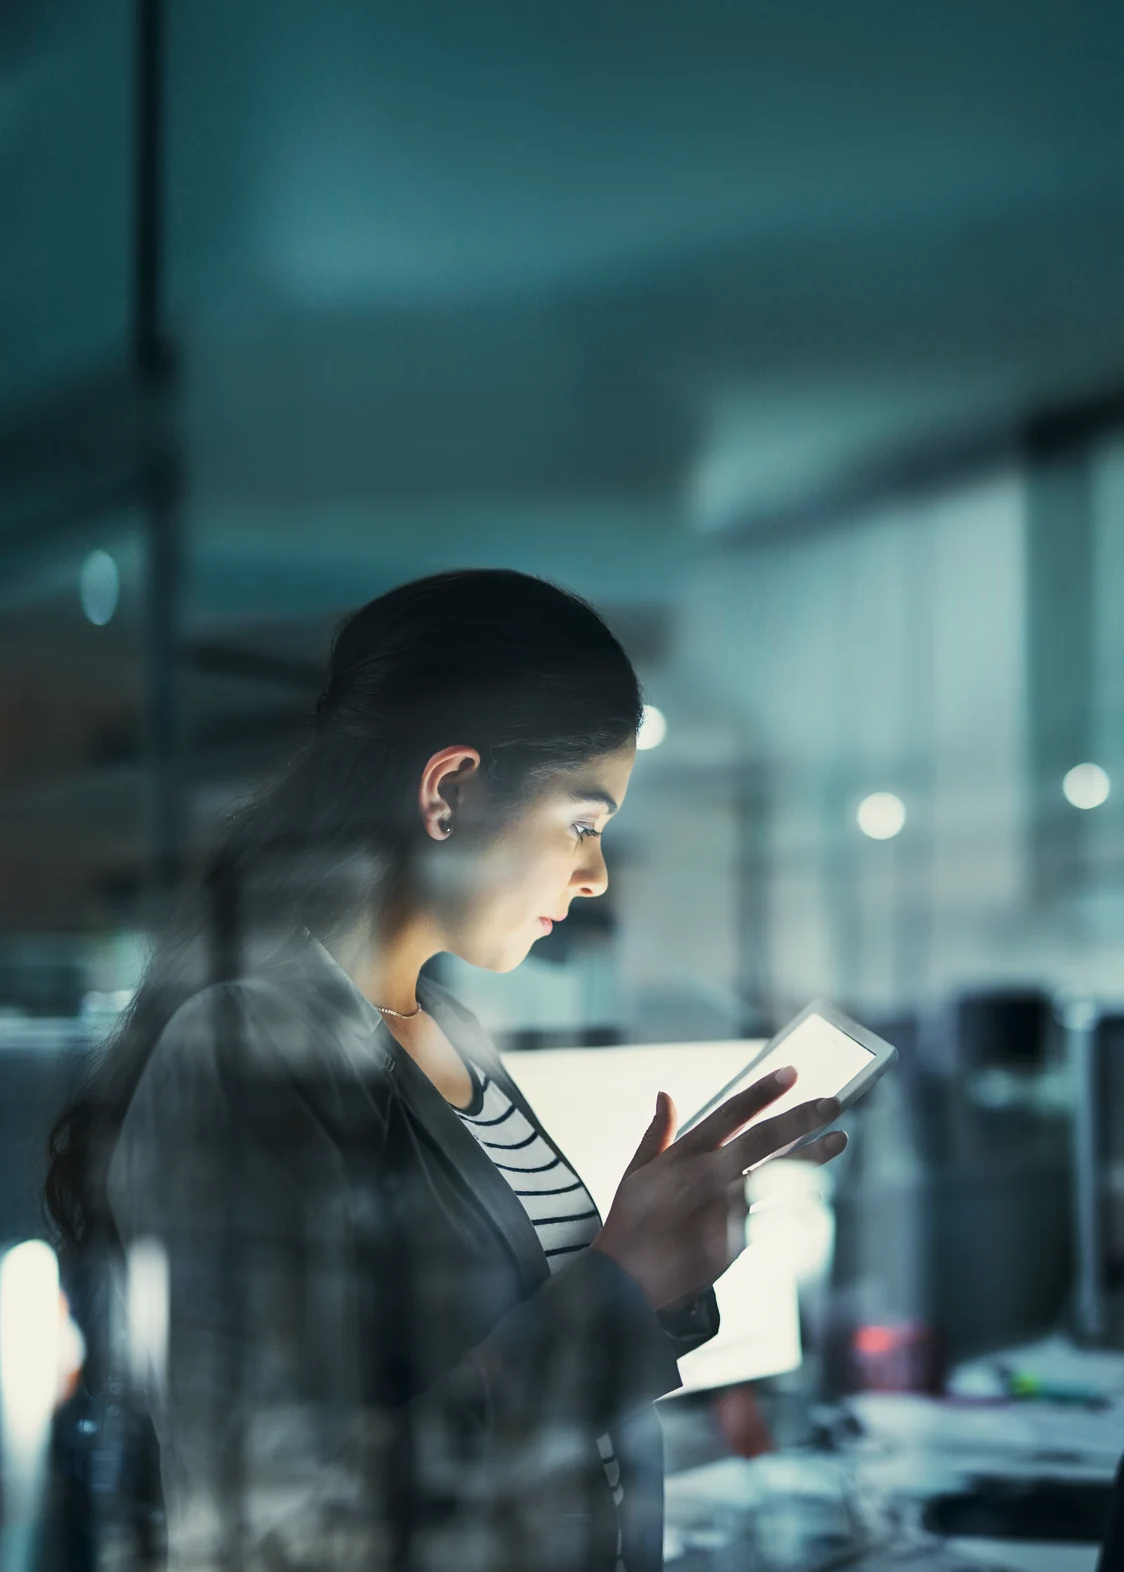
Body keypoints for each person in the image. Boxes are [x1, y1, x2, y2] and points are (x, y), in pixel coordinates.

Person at [46, 569, 846, 1572]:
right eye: (583, 822)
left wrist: (666, 1264)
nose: (594, 873)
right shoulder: (243, 1053)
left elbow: (522, 1355)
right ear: (450, 789)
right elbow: (279, 1524)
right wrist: (615, 1285)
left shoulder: (444, 1029)